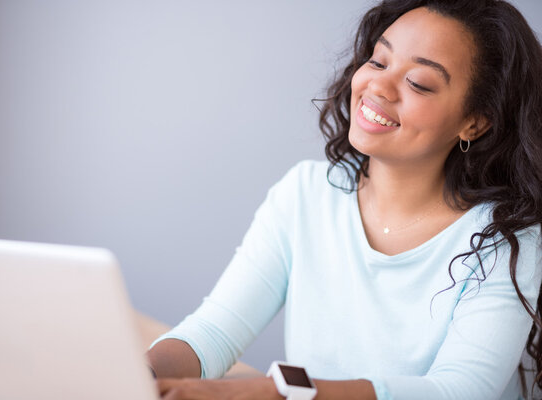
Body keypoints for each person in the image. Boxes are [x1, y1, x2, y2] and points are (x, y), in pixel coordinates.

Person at [147, 0, 542, 399]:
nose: (378, 87)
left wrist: (277, 393)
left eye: (419, 82)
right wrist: (137, 374)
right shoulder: (304, 194)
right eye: (379, 61)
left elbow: (460, 392)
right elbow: (213, 332)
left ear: (474, 121)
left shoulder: (506, 240)